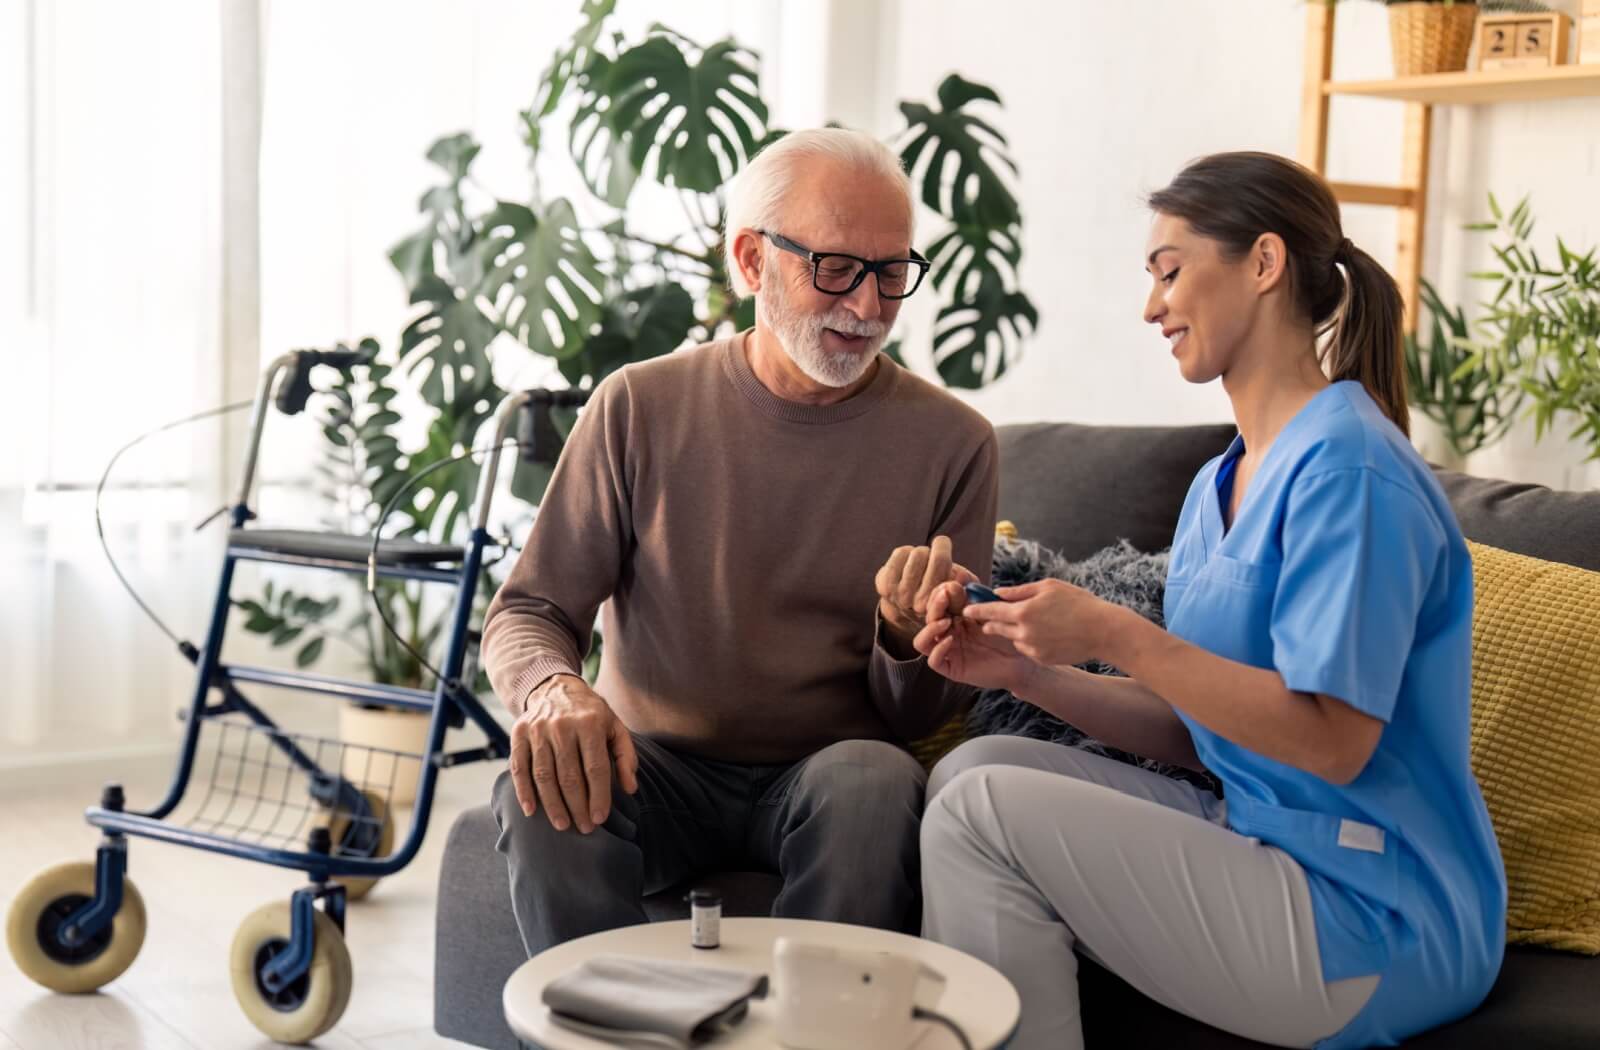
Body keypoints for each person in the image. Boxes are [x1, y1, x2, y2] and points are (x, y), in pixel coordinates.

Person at [915, 151, 1506, 1049]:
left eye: (1169, 271)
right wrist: (1030, 673)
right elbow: (1202, 732)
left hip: (1377, 911)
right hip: (1262, 838)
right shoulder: (1217, 485)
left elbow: (1334, 742)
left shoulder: (1350, 472)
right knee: (971, 770)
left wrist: (1116, 631)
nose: (1151, 307)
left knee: (979, 813)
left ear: (1263, 264)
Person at [481, 127, 999, 955]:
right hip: (650, 764)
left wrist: (906, 640)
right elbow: (530, 609)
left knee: (873, 781)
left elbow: (928, 711)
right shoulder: (637, 406)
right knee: (541, 784)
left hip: (828, 772)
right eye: (835, 269)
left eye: (893, 272)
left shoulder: (955, 444)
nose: (867, 308)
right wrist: (553, 690)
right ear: (753, 261)